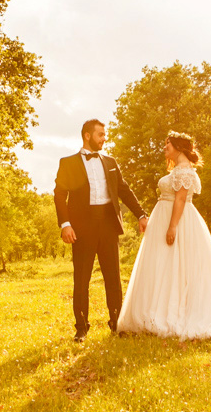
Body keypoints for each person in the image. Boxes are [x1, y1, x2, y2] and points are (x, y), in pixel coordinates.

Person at [116, 130, 211, 340]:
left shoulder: (184, 171)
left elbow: (180, 200)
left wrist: (172, 227)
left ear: (179, 147)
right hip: (164, 218)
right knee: (165, 265)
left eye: (168, 144)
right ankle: (156, 310)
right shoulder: (177, 171)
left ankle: (176, 311)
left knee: (180, 264)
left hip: (178, 221)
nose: (164, 148)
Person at [54, 119, 149, 342]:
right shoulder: (68, 163)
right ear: (87, 135)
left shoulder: (110, 161)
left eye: (104, 134)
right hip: (81, 228)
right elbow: (59, 195)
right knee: (82, 279)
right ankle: (81, 328)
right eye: (100, 134)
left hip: (108, 225)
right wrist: (65, 224)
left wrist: (141, 214)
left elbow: (124, 191)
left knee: (113, 278)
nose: (104, 138)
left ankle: (116, 323)